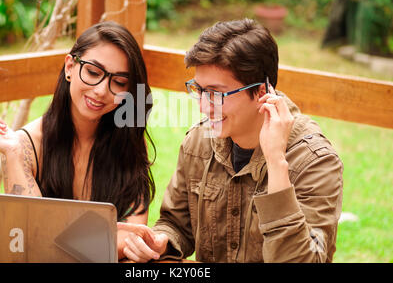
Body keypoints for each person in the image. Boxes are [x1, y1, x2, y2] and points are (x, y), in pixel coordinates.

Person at [119, 18, 343, 263]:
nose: (204, 106)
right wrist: (162, 240)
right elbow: (175, 223)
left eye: (216, 94)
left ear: (261, 92)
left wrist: (277, 162)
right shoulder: (198, 143)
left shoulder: (316, 161)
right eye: (200, 90)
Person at [0, 21, 155, 260]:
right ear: (70, 67)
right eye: (93, 72)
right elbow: (26, 237)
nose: (102, 90)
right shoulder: (25, 145)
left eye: (119, 82)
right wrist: (12, 153)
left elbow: (132, 237)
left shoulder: (128, 142)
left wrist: (58, 242)